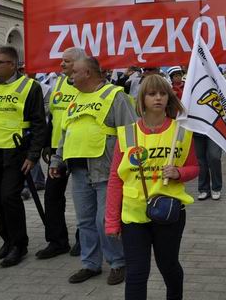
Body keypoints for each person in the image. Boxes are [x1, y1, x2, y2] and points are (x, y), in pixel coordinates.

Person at [106, 74, 199, 300]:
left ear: (169, 97)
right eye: (151, 93)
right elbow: (115, 179)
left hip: (169, 213)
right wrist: (111, 221)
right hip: (133, 215)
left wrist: (180, 173)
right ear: (142, 99)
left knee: (168, 266)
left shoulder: (182, 131)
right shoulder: (127, 133)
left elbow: (195, 167)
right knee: (137, 273)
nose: (158, 98)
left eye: (162, 93)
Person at [50, 56, 137, 285]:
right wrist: (57, 160)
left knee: (104, 221)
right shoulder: (75, 98)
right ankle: (90, 264)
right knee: (85, 221)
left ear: (88, 73)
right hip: (78, 170)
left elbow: (130, 132)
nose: (69, 75)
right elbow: (65, 131)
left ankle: (118, 262)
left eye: (74, 72)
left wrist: (129, 167)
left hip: (106, 170)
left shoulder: (115, 95)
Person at [0, 46, 46, 267]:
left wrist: (33, 155)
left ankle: (19, 245)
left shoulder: (29, 87)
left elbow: (38, 124)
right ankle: (6, 241)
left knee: (9, 197)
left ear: (13, 65)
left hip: (14, 153)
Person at [36, 47, 85, 260]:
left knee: (84, 197)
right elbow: (54, 115)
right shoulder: (59, 82)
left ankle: (84, 239)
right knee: (52, 195)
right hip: (58, 149)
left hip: (82, 149)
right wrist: (47, 143)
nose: (61, 65)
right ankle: (57, 241)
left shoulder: (87, 84)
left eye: (66, 61)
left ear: (79, 63)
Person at [194, 133, 223, 201]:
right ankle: (204, 189)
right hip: (197, 130)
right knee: (201, 160)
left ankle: (216, 187)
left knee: (214, 157)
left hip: (214, 129)